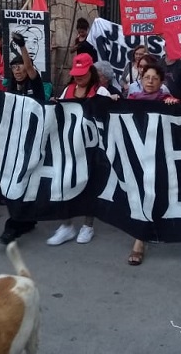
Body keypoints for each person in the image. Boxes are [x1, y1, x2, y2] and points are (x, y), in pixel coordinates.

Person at [47, 54, 116, 247]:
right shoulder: (68, 89)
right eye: (76, 73)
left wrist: (112, 101)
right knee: (64, 183)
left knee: (89, 184)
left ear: (90, 72)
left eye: (82, 74)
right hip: (68, 147)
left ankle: (88, 225)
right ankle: (66, 225)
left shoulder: (100, 91)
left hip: (91, 148)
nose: (78, 77)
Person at [126, 63, 179, 265]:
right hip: (137, 155)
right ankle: (139, 240)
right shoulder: (131, 100)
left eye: (154, 78)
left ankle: (150, 231)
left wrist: (175, 106)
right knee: (141, 194)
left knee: (155, 193)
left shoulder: (167, 101)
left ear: (161, 82)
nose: (150, 81)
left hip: (159, 155)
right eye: (147, 77)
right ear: (141, 80)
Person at [0, 32, 46, 244]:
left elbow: (30, 68)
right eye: (14, 68)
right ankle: (25, 221)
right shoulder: (9, 90)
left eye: (21, 67)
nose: (18, 71)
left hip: (34, 142)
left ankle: (13, 226)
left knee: (23, 182)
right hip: (14, 143)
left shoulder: (35, 84)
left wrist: (22, 47)